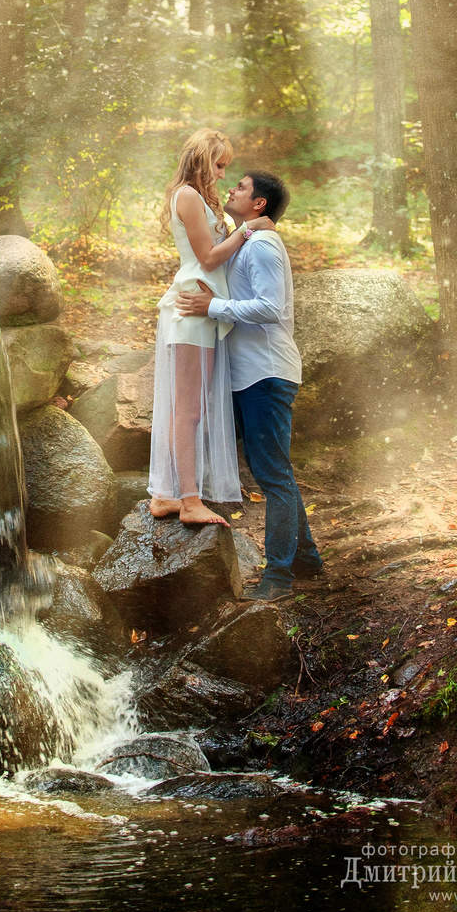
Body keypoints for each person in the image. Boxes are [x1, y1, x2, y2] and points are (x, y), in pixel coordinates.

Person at [176, 170, 323, 601]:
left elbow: (270, 308)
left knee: (272, 475)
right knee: (273, 470)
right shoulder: (250, 239)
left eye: (240, 187)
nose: (231, 190)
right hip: (251, 374)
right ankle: (307, 559)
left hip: (267, 373)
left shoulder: (262, 246)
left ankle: (278, 576)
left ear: (259, 203)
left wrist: (212, 305)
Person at [148, 130, 273, 527]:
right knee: (188, 410)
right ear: (203, 160)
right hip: (192, 309)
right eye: (219, 165)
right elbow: (207, 257)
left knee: (186, 408)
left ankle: (165, 495)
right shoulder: (187, 195)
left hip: (202, 308)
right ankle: (189, 501)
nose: (222, 174)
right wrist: (249, 229)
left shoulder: (199, 199)